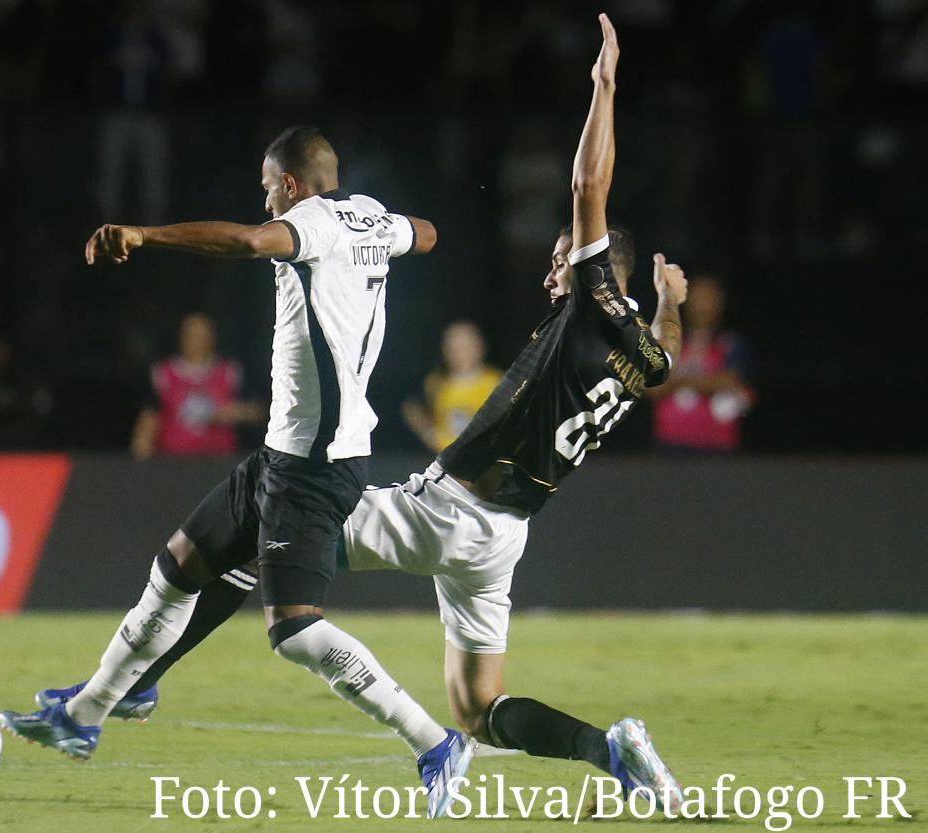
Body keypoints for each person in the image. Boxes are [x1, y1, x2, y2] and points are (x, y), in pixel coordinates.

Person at [36, 15, 688, 813]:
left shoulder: (591, 297)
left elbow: (590, 185)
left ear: (596, 268)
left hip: (446, 507)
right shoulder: (641, 352)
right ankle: (608, 748)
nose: (554, 270)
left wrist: (605, 87)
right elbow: (663, 361)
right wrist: (668, 306)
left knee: (264, 548)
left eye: (563, 258)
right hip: (504, 536)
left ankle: (133, 687)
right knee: (481, 706)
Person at [0, 125, 476, 818]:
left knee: (297, 631)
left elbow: (252, 242)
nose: (265, 204)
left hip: (317, 465)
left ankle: (434, 742)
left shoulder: (306, 220)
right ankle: (86, 713)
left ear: (288, 185)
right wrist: (389, 231)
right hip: (285, 453)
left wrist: (144, 234)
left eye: (266, 190)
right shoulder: (369, 213)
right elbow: (427, 233)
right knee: (179, 566)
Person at [130, 313, 264, 459]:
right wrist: (142, 452)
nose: (198, 342)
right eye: (192, 336)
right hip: (173, 462)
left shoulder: (231, 372)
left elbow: (257, 412)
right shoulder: (163, 374)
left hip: (220, 462)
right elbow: (149, 418)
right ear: (182, 338)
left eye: (203, 336)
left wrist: (233, 413)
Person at [648, 274, 753, 452]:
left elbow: (729, 381)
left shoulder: (730, 343)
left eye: (710, 298)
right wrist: (704, 381)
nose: (703, 306)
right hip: (670, 444)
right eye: (698, 298)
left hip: (717, 445)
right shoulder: (667, 340)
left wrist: (680, 380)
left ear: (721, 302)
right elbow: (652, 388)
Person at [402, 320, 502, 453]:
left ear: (480, 347)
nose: (460, 353)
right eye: (454, 347)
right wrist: (429, 434)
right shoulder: (435, 383)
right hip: (443, 463)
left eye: (466, 346)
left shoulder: (496, 382)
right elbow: (415, 411)